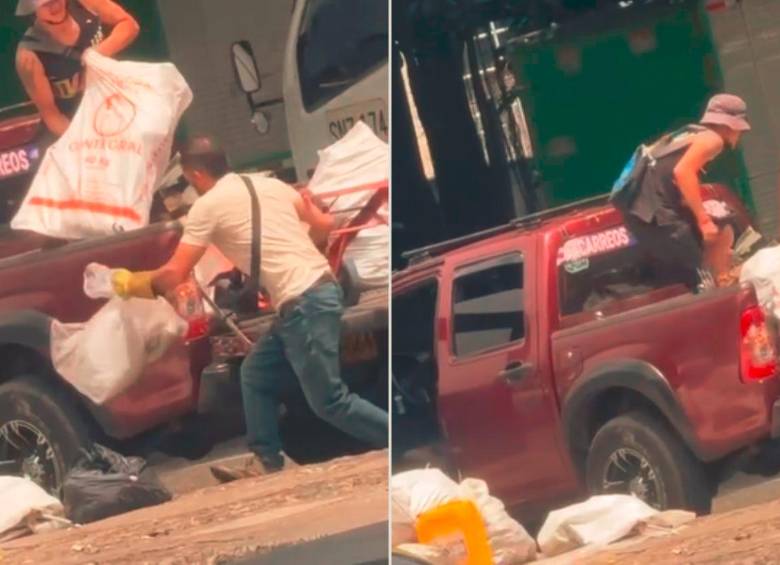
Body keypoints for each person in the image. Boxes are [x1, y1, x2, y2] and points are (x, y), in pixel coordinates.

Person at [111, 136, 389, 479]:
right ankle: (265, 459)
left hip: (305, 303)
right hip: (312, 296)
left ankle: (395, 441)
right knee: (256, 372)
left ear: (196, 174)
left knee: (330, 401)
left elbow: (174, 274)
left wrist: (131, 283)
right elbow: (325, 226)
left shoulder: (207, 207)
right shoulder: (273, 186)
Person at [621, 94, 750, 288]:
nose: (740, 134)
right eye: (740, 128)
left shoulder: (690, 134)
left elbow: (670, 177)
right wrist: (704, 220)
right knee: (701, 278)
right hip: (658, 214)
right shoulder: (713, 140)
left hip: (642, 213)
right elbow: (682, 172)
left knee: (694, 264)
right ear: (729, 125)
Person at [15, 0, 140, 138]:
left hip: (119, 104)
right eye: (46, 4)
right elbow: (52, 117)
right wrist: (88, 142)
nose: (55, 6)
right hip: (75, 125)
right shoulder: (28, 56)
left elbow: (129, 25)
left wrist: (95, 55)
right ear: (33, 10)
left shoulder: (86, 3)